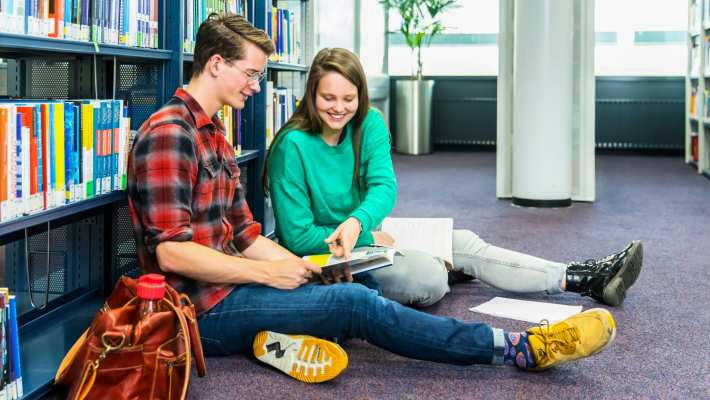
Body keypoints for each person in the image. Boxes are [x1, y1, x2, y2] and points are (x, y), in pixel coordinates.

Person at [127, 13, 618, 385]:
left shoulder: (213, 133)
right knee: (357, 306)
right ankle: (518, 348)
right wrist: (269, 272)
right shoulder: (171, 133)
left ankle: (279, 339)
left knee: (351, 290)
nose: (257, 86)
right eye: (252, 74)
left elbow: (245, 234)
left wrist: (306, 270)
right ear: (216, 64)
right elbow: (172, 252)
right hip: (203, 309)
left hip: (239, 285)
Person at [264, 47, 644, 309]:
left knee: (462, 242)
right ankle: (445, 268)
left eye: (349, 98)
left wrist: (358, 223)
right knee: (429, 278)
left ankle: (579, 278)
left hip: (367, 239)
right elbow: (297, 237)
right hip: (325, 258)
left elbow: (383, 187)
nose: (339, 108)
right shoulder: (291, 146)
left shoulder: (369, 123)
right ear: (310, 94)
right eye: (328, 98)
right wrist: (365, 235)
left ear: (360, 95)